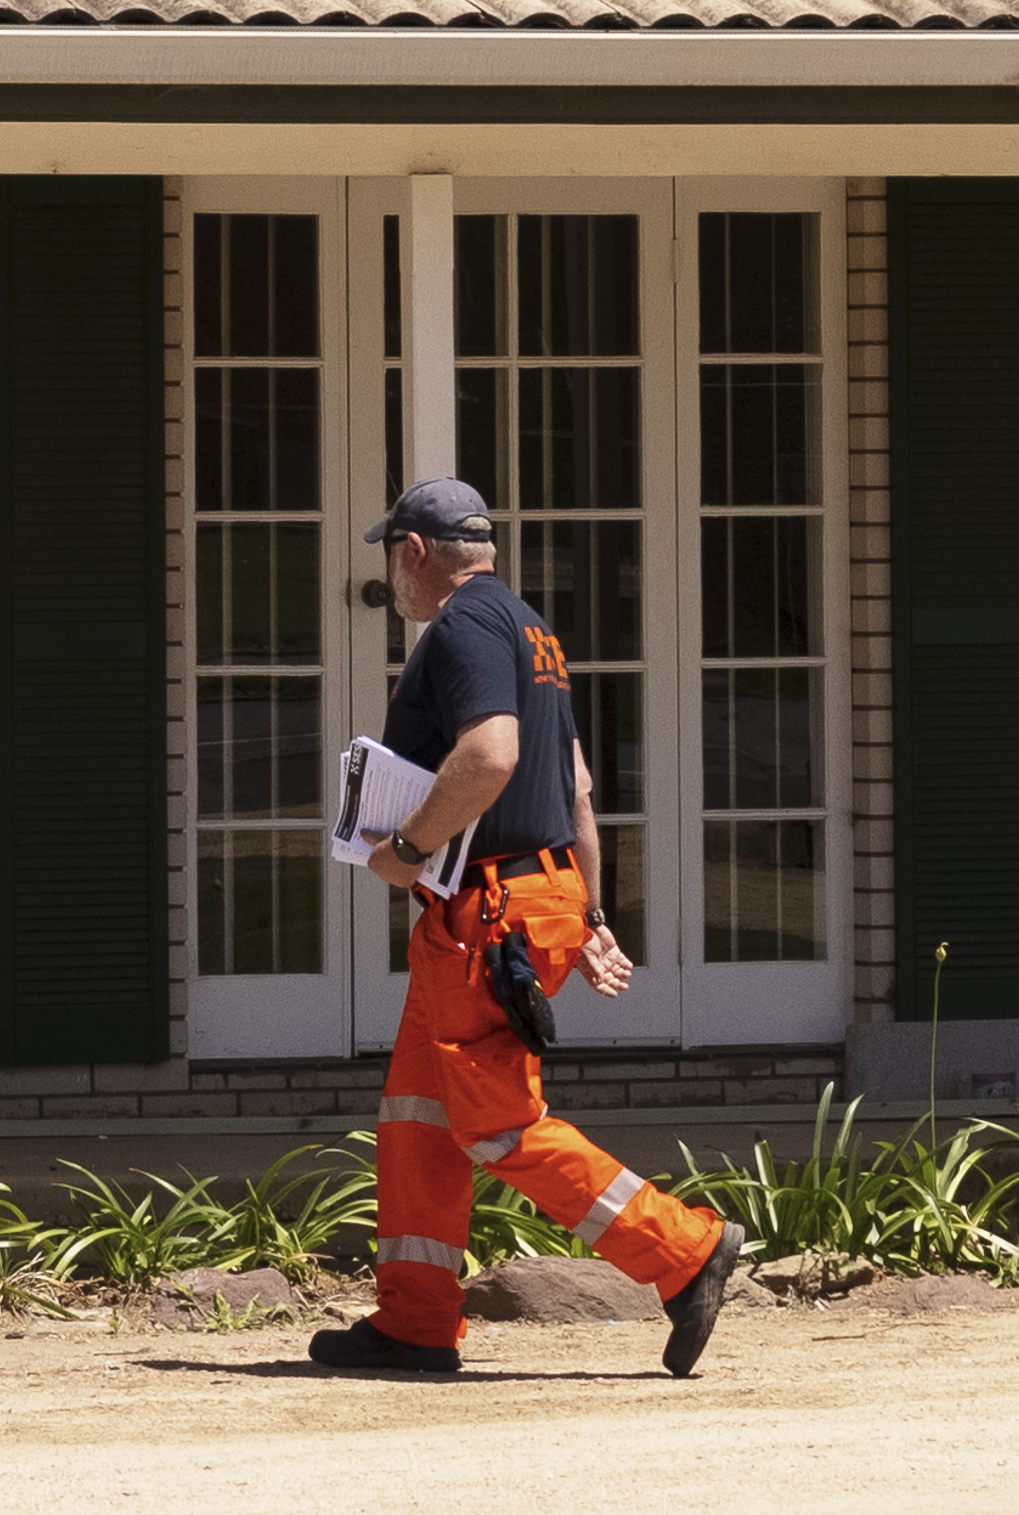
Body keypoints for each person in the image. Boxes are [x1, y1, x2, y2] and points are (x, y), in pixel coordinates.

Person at [309, 478, 741, 1381]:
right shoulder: (532, 630)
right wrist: (585, 909)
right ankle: (416, 1321)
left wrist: (406, 847)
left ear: (415, 552)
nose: (393, 578)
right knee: (418, 1115)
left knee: (498, 1124)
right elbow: (576, 782)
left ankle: (685, 1250)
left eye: (391, 556)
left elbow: (493, 753)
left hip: (486, 910)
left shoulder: (459, 628)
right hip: (523, 898)